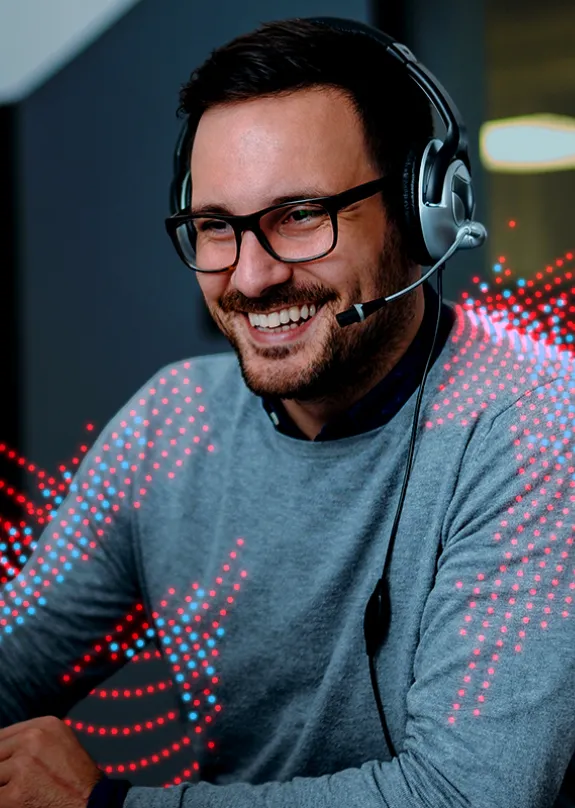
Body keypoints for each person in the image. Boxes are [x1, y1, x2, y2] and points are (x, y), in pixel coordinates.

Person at [0, 16, 574, 808]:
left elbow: (468, 795)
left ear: (421, 213)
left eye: (300, 215)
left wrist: (108, 806)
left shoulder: (537, 427)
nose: (251, 275)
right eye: (214, 228)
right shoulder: (173, 422)